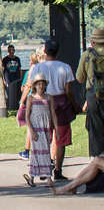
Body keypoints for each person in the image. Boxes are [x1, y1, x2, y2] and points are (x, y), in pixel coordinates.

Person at [35, 37, 79, 181]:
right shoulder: (65, 67)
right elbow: (68, 91)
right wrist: (75, 105)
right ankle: (58, 170)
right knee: (61, 138)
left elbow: (34, 88)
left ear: (45, 50)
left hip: (43, 102)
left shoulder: (38, 67)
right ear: (58, 51)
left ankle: (44, 168)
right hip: (61, 103)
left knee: (44, 137)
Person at [23, 76, 58, 188]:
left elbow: (53, 113)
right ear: (35, 86)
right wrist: (31, 130)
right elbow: (27, 116)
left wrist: (56, 128)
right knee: (36, 152)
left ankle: (47, 176)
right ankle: (34, 176)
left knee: (46, 151)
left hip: (46, 127)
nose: (41, 86)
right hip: (36, 128)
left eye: (42, 84)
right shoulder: (31, 98)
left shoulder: (48, 98)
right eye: (38, 84)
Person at [76, 27, 104, 159]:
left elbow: (79, 78)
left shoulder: (87, 55)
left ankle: (95, 157)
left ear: (93, 42)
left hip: (93, 94)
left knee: (94, 127)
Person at [1, 44, 24, 114]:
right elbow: (2, 70)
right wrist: (4, 80)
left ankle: (17, 106)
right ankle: (10, 106)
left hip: (16, 78)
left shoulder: (17, 59)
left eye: (12, 50)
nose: (11, 51)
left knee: (17, 93)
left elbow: (19, 69)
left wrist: (21, 78)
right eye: (10, 50)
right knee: (9, 94)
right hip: (9, 79)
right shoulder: (5, 59)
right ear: (8, 51)